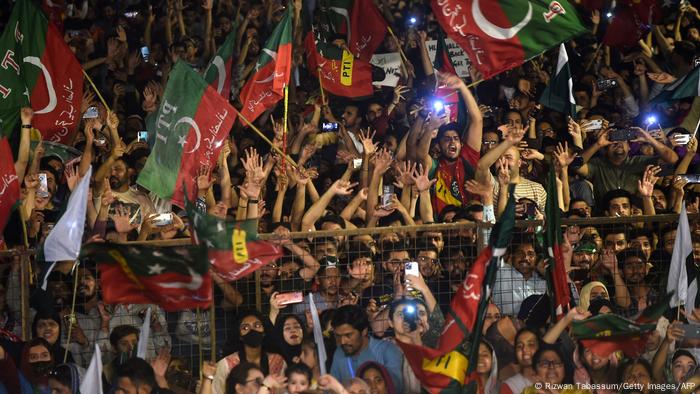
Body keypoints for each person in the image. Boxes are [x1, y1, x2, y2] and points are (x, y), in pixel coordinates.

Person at [329, 305, 404, 392]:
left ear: (364, 331)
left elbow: (396, 388)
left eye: (348, 335)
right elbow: (332, 389)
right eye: (338, 336)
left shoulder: (387, 350)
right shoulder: (339, 353)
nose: (342, 342)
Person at [214, 311, 286, 394]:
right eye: (245, 328)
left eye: (257, 325)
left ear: (264, 332)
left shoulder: (278, 361)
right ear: (239, 335)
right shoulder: (226, 364)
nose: (252, 330)